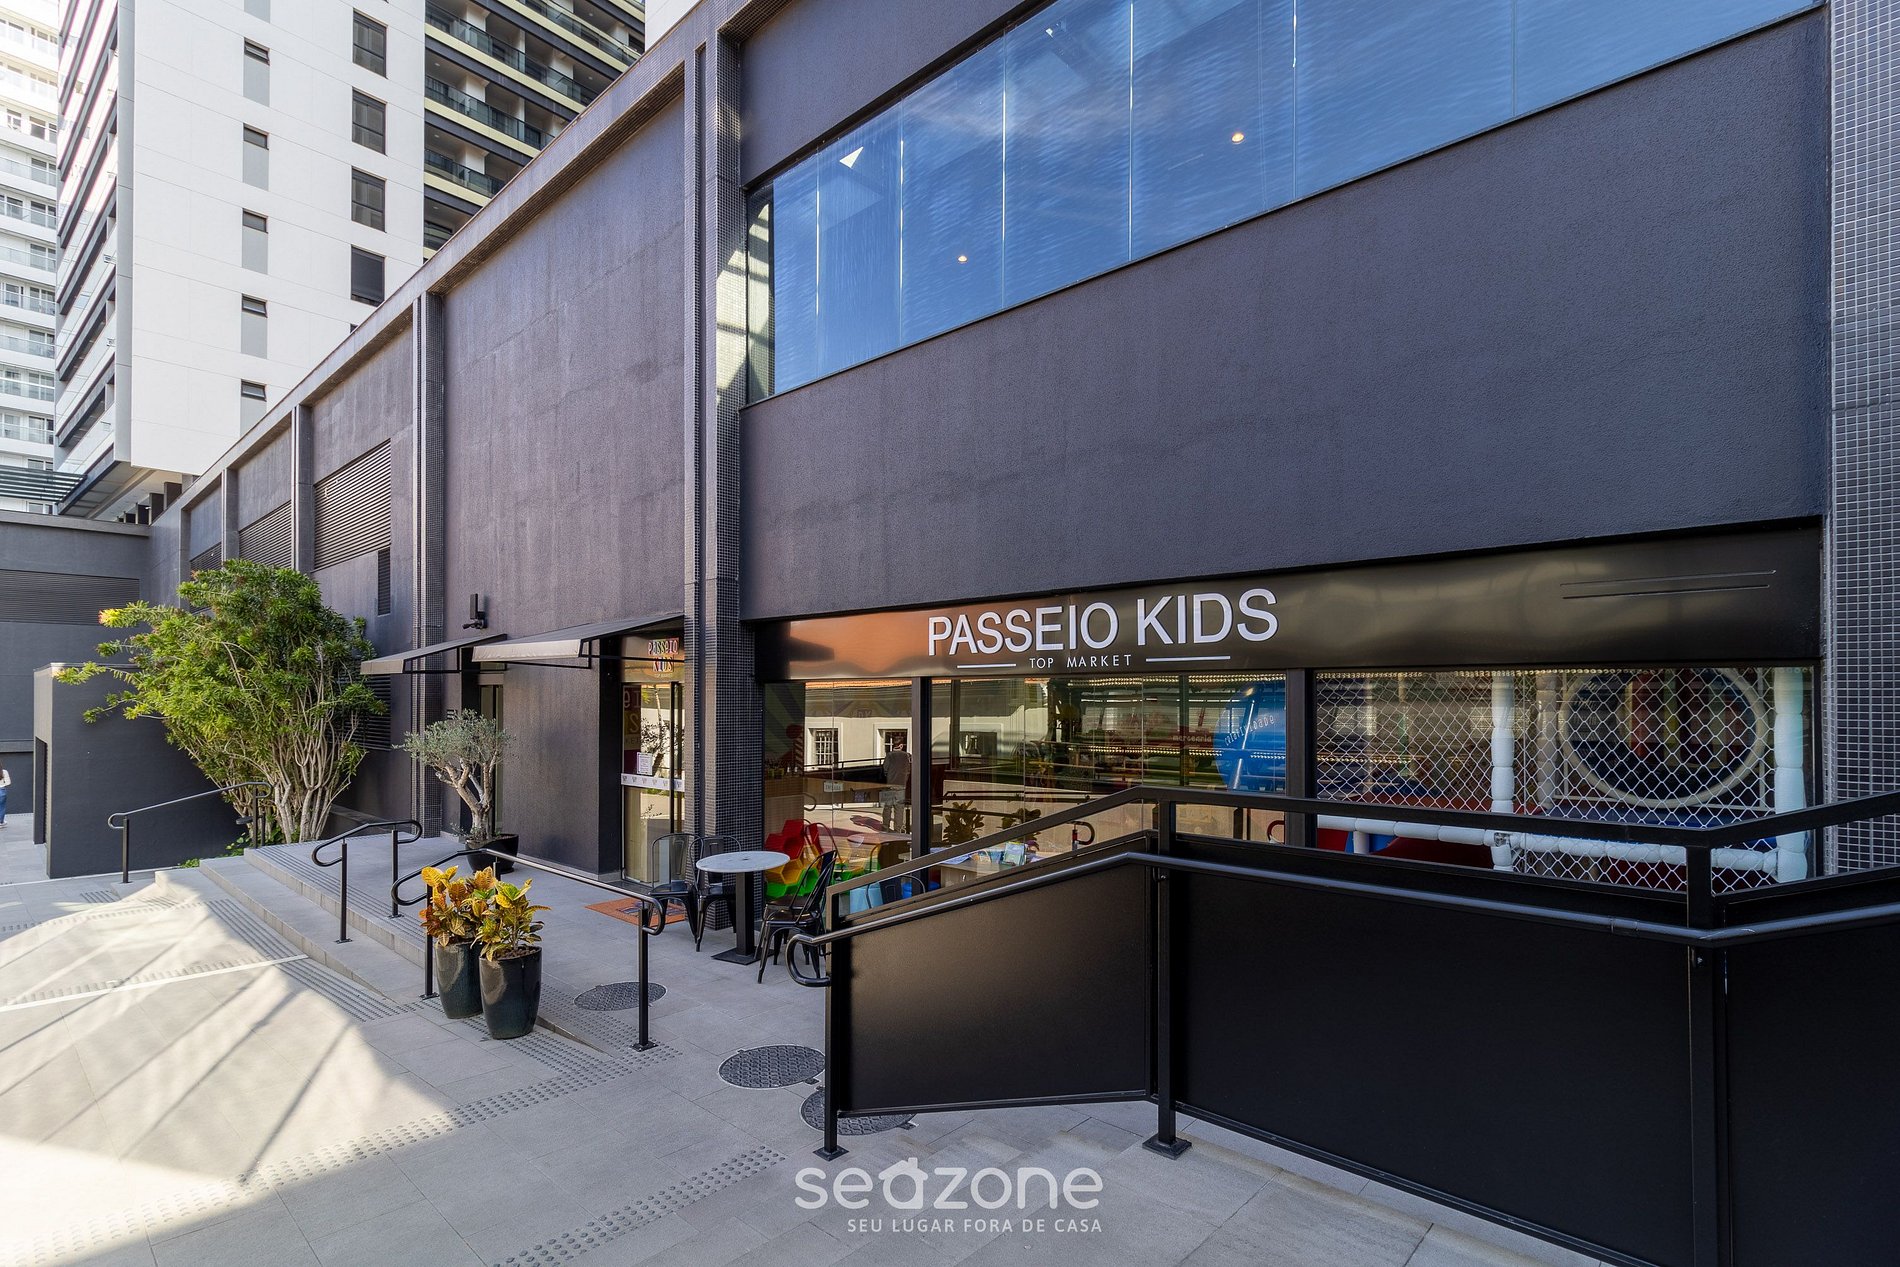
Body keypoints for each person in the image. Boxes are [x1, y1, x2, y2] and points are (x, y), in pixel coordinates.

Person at [0, 764, 10, 828]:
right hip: (1, 790)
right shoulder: (4, 772)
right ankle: (0, 822)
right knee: (1, 807)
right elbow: (8, 783)